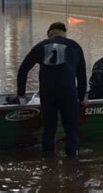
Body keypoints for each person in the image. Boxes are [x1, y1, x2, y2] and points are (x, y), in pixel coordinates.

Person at [17, 22, 87, 158]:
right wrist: (81, 96)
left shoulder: (40, 46)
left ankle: (48, 160)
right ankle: (72, 161)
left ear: (49, 33)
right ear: (64, 32)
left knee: (49, 128)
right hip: (68, 92)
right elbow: (81, 75)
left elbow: (23, 70)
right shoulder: (75, 46)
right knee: (71, 129)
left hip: (47, 92)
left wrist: (21, 94)